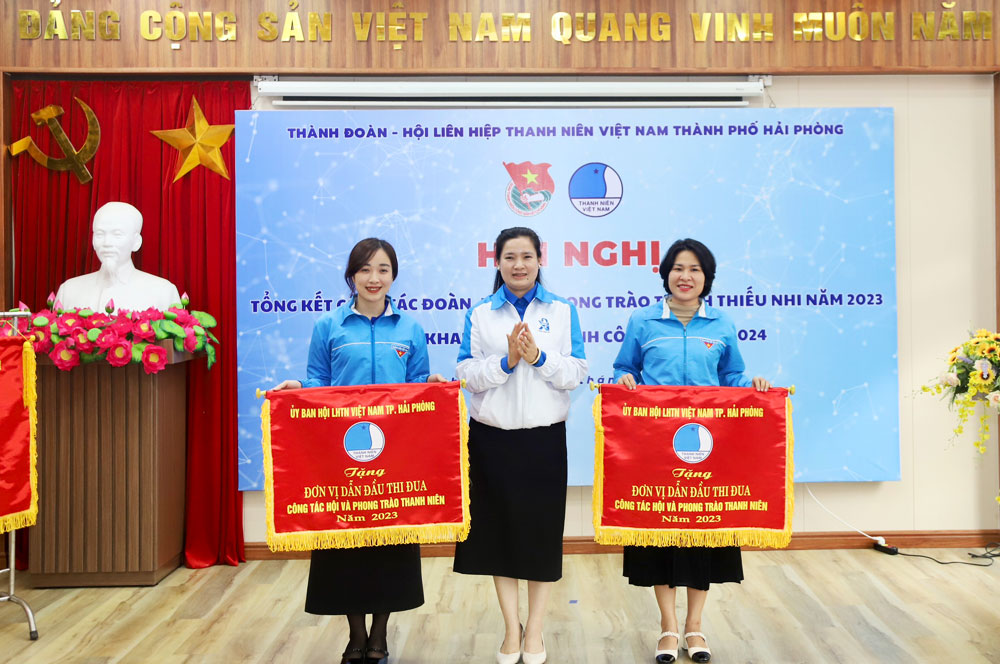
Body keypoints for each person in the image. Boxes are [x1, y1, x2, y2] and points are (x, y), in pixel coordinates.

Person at [271, 238, 445, 664]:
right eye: (365, 269)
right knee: (344, 543)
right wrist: (298, 388)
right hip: (341, 454)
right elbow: (318, 380)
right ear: (351, 275)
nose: (374, 278)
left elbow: (416, 386)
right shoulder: (329, 326)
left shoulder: (410, 329)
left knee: (390, 542)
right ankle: (354, 635)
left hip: (394, 455)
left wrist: (431, 386)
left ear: (393, 276)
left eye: (383, 269)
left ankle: (380, 635)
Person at [613, 238, 772, 664]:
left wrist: (752, 385)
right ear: (666, 274)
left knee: (703, 533)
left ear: (707, 278)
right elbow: (624, 368)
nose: (685, 276)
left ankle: (695, 626)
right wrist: (625, 380)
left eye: (695, 269)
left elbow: (732, 375)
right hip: (656, 446)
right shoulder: (644, 320)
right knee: (661, 535)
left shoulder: (721, 324)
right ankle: (668, 627)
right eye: (678, 268)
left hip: (707, 446)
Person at [453, 227, 588, 664]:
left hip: (544, 441)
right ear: (497, 262)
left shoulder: (562, 311)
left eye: (527, 256)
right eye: (509, 257)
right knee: (500, 537)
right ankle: (512, 629)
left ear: (539, 260)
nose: (518, 265)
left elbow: (577, 373)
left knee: (540, 537)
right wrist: (507, 362)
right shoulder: (480, 313)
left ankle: (536, 630)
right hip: (492, 441)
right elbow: (466, 375)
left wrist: (538, 359)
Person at [55, 201, 182, 312]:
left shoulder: (162, 292)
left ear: (136, 242)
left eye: (117, 234)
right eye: (100, 234)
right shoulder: (69, 291)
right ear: (93, 240)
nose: (107, 243)